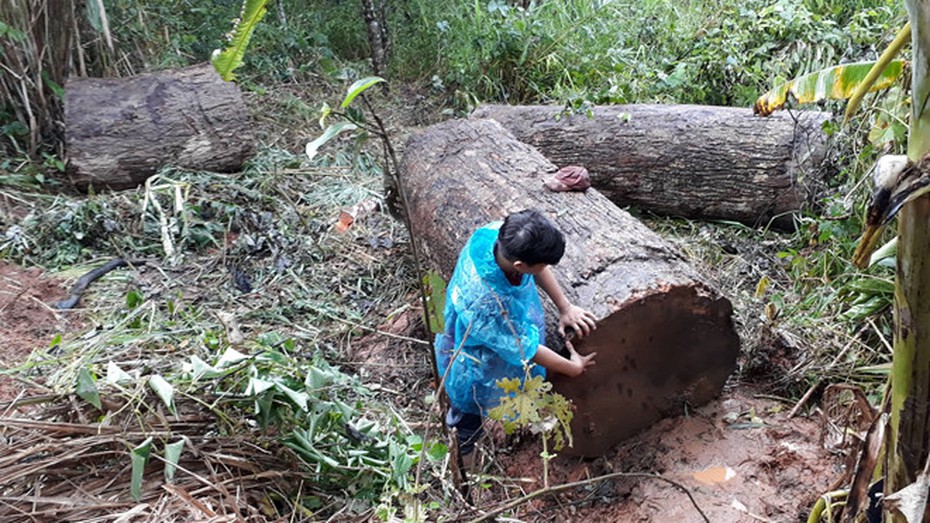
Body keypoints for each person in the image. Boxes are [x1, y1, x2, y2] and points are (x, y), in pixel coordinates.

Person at [434, 209, 598, 465]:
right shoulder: (490, 302)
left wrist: (565, 306)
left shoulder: (501, 236)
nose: (545, 268)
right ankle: (469, 475)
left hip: (502, 326)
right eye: (542, 265)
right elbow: (525, 348)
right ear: (521, 267)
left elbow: (537, 267)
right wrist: (572, 368)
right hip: (473, 353)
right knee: (467, 409)